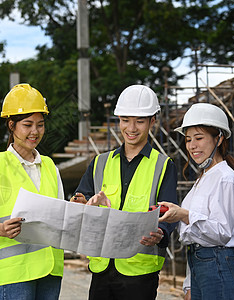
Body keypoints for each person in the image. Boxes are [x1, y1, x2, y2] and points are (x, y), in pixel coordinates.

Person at [71, 85, 178, 300]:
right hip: (102, 268)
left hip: (140, 273)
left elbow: (168, 211)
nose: (131, 128)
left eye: (139, 121)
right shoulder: (100, 163)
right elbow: (79, 201)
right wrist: (80, 202)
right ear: (118, 119)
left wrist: (162, 231)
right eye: (125, 120)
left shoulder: (163, 165)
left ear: (152, 122)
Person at [0, 83, 65, 300]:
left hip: (50, 270)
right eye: (27, 124)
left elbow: (60, 213)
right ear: (11, 125)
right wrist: (1, 229)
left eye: (40, 125)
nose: (35, 132)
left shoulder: (50, 167)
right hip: (14, 273)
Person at [158, 103, 234, 300]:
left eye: (199, 138)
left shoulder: (225, 178)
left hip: (219, 266)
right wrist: (190, 283)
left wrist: (183, 214)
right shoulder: (203, 179)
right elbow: (195, 238)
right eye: (188, 139)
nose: (191, 146)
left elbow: (221, 233)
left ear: (219, 138)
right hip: (200, 265)